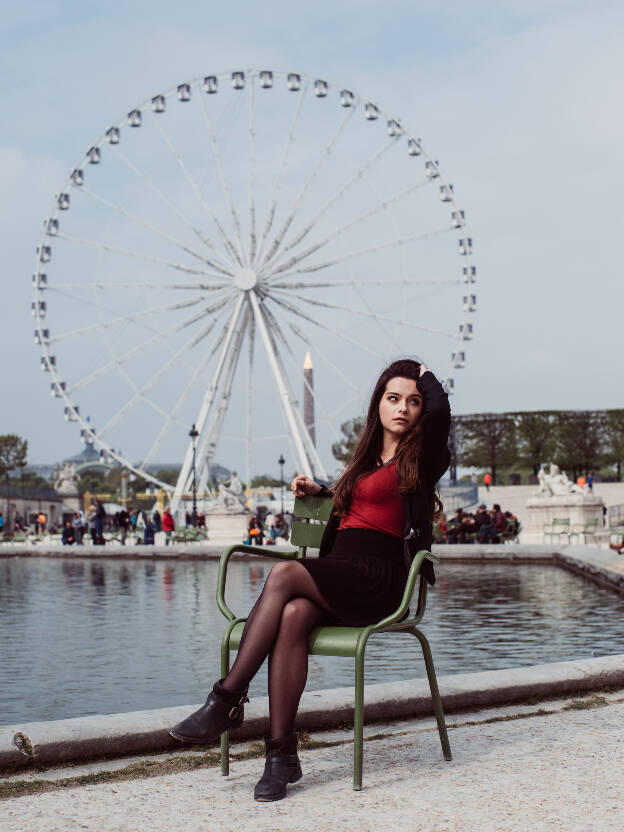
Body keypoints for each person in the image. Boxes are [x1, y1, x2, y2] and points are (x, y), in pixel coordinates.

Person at [169, 358, 450, 801]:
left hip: (380, 578)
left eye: (412, 402)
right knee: (294, 615)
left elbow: (440, 413)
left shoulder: (425, 457)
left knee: (284, 573)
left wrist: (424, 371)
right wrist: (323, 490)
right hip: (341, 571)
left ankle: (225, 700)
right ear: (377, 404)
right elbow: (358, 501)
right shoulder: (364, 460)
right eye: (392, 398)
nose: (403, 408)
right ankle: (281, 756)